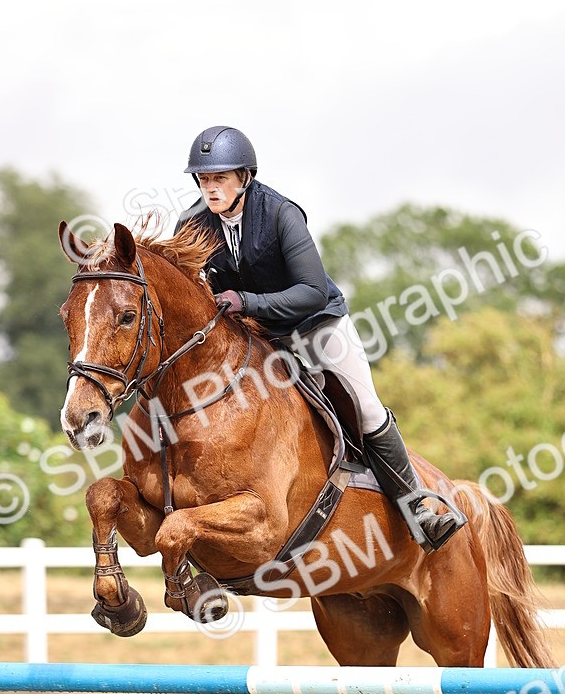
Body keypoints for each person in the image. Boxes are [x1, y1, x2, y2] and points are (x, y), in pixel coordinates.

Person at [175, 125, 464, 551]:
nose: (210, 188)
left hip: (317, 325)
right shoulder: (194, 224)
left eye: (220, 178)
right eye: (204, 179)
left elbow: (310, 291)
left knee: (364, 409)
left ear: (245, 178)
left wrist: (248, 302)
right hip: (259, 337)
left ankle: (416, 505)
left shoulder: (279, 214)